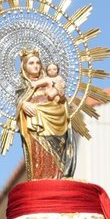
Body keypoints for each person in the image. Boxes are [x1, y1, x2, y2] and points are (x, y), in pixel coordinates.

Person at [16, 47, 77, 179]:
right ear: (24, 66)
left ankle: (59, 176)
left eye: (38, 63)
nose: (36, 66)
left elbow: (62, 99)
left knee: (58, 152)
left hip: (57, 124)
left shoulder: (51, 81)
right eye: (31, 63)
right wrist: (23, 104)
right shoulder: (23, 87)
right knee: (39, 153)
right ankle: (41, 178)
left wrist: (61, 101)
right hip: (36, 127)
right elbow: (19, 101)